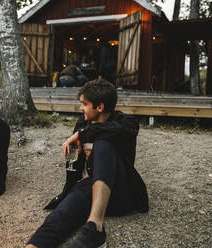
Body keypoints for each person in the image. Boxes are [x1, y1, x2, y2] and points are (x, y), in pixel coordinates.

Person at [26, 79, 148, 248]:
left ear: (100, 107)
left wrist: (82, 136)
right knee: (61, 213)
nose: (81, 108)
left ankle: (95, 230)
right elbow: (73, 164)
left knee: (103, 145)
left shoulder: (125, 123)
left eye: (84, 104)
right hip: (89, 187)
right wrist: (71, 180)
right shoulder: (83, 124)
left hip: (119, 193)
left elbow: (112, 132)